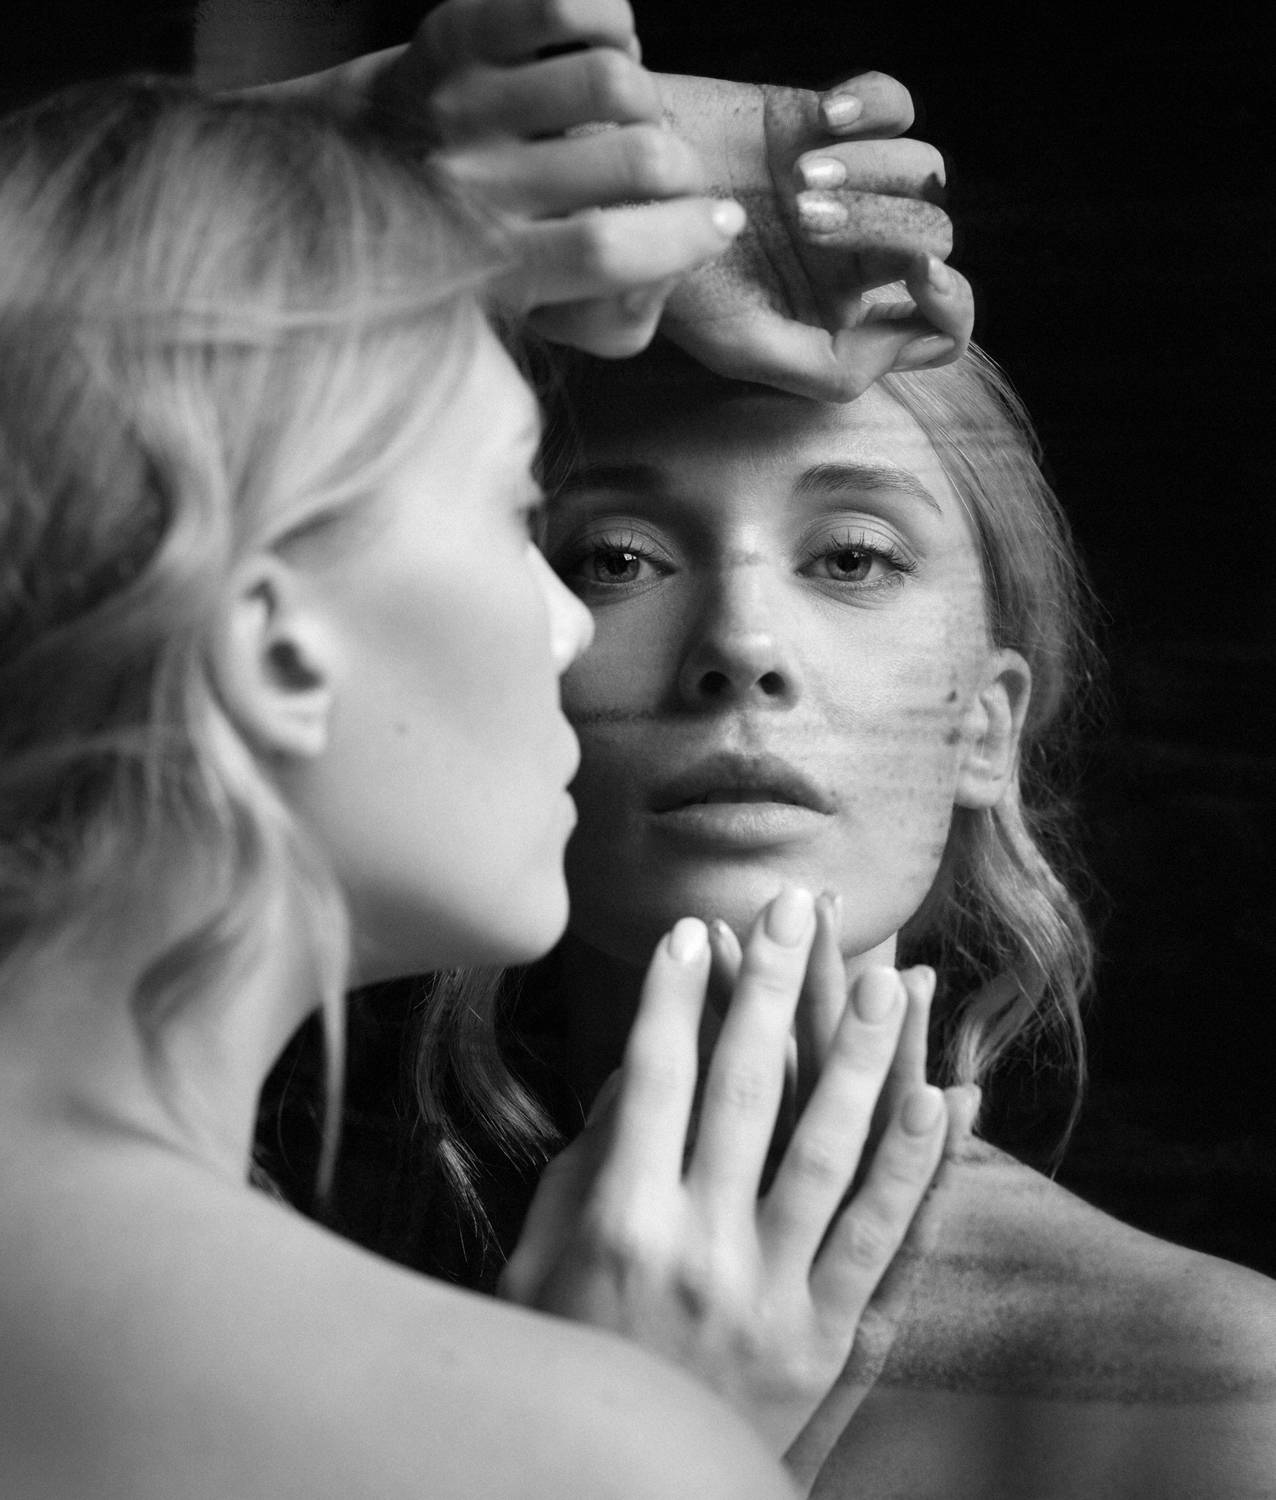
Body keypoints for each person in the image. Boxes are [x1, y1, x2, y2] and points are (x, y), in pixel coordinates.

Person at [0, 76, 953, 1500]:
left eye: (854, 559)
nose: (570, 635)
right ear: (271, 640)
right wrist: (608, 1437)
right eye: (546, 531)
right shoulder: (576, 1451)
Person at [354, 327, 1275, 1498]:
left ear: (983, 727)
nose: (741, 646)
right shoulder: (266, 1305)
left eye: (851, 557)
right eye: (616, 558)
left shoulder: (1219, 1388)